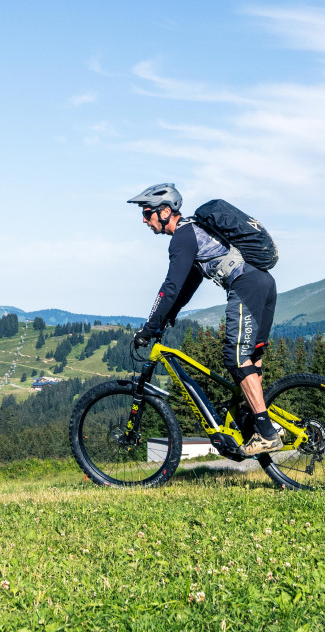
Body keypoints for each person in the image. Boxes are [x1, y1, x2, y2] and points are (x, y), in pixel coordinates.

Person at [127, 182, 282, 456]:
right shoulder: (195, 233)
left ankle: (267, 433)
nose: (143, 219)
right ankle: (258, 421)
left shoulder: (183, 237)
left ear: (165, 212)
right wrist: (170, 315)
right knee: (252, 358)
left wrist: (149, 327)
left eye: (147, 212)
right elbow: (189, 283)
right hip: (264, 284)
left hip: (246, 284)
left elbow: (170, 286)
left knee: (235, 359)